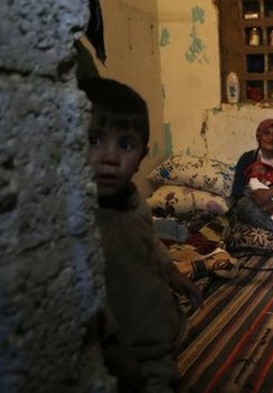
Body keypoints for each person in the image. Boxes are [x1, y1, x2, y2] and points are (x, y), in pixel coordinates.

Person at [80, 78, 203, 392]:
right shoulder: (77, 218)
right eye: (93, 140)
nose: (109, 157)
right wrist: (113, 354)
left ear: (141, 156)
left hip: (155, 326)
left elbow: (149, 243)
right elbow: (85, 296)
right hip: (121, 344)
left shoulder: (135, 201)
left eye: (124, 145)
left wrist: (174, 273)